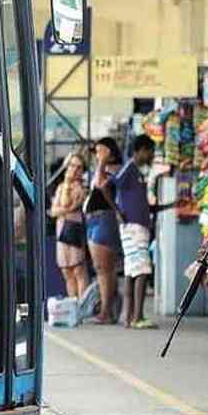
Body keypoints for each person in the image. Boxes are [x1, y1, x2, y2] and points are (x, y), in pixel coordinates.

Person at [113, 135, 158, 329]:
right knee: (141, 270)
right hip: (134, 227)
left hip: (137, 225)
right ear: (140, 150)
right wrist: (117, 212)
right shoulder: (129, 168)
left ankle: (128, 317)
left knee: (132, 271)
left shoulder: (137, 172)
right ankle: (137, 316)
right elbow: (109, 185)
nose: (152, 155)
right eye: (150, 151)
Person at [84, 137, 123, 324]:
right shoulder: (101, 169)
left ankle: (106, 311)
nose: (97, 156)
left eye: (101, 151)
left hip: (104, 220)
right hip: (92, 220)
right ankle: (107, 307)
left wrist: (102, 162)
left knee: (105, 269)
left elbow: (101, 184)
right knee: (99, 267)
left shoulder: (114, 170)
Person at [50, 153, 89, 299]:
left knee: (78, 269)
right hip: (62, 229)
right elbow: (54, 211)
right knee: (67, 270)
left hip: (73, 228)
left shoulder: (80, 188)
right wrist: (64, 210)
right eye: (72, 165)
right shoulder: (61, 187)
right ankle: (73, 303)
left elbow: (65, 203)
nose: (75, 170)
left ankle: (81, 305)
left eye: (79, 167)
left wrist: (67, 183)